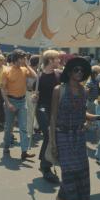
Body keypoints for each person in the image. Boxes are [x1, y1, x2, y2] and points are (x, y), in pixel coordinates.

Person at [50, 57, 100, 200]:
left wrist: (99, 117)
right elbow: (53, 117)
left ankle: (62, 197)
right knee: (68, 171)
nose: (79, 73)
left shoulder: (84, 91)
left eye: (82, 71)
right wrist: (53, 142)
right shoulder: (58, 90)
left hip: (78, 135)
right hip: (62, 135)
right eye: (76, 70)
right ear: (69, 71)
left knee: (80, 171)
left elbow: (83, 114)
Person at [1, 49, 37, 160]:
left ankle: (24, 151)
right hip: (11, 102)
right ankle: (6, 146)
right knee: (8, 128)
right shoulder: (6, 71)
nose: (24, 60)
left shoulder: (24, 69)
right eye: (22, 58)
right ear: (17, 59)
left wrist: (27, 64)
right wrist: (7, 103)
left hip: (22, 102)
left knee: (23, 127)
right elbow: (3, 89)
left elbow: (35, 76)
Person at [35, 50, 61, 183]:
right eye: (57, 59)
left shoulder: (59, 74)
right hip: (42, 110)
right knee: (48, 136)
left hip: (55, 110)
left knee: (52, 137)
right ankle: (46, 167)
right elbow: (35, 96)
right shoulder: (39, 78)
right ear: (50, 60)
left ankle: (44, 162)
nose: (59, 61)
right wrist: (34, 98)